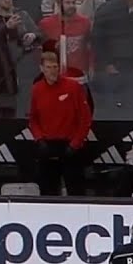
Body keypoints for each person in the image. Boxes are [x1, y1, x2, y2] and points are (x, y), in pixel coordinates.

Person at [29, 51, 92, 196]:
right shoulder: (37, 89)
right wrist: (39, 139)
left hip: (70, 145)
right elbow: (33, 118)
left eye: (55, 67)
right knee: (47, 189)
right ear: (42, 69)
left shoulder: (73, 87)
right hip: (48, 145)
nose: (53, 71)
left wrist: (75, 144)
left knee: (75, 189)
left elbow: (85, 118)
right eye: (49, 67)